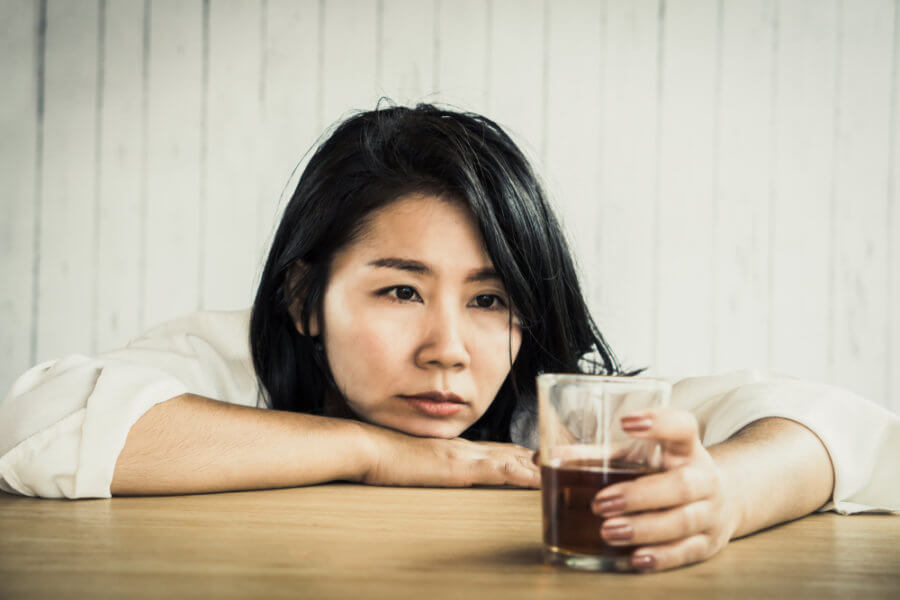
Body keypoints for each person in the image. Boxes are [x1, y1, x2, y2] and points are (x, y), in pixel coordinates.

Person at [1, 103, 897, 574]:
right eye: (399, 289)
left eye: (490, 299)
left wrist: (724, 498)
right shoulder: (222, 362)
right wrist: (376, 453)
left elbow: (839, 426)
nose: (449, 349)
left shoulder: (559, 414)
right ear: (306, 298)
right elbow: (35, 424)